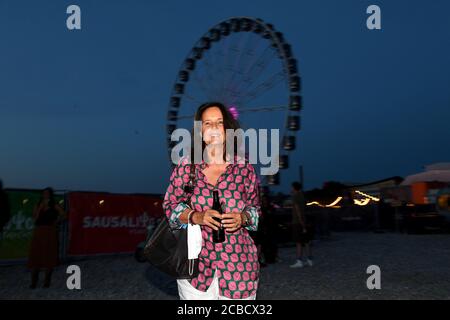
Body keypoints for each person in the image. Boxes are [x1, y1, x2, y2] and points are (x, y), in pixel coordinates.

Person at [163, 102, 262, 300]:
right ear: (200, 130)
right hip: (196, 271)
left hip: (238, 270)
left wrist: (243, 218)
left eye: (219, 122)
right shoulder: (186, 166)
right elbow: (170, 206)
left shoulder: (244, 169)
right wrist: (196, 216)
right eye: (208, 123)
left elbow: (255, 210)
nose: (215, 128)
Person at [27, 187, 66, 288]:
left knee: (49, 254)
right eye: (44, 193)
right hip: (39, 231)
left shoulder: (54, 205)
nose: (45, 195)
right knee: (36, 254)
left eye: (47, 193)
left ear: (50, 195)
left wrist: (57, 221)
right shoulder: (38, 204)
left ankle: (47, 281)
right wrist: (40, 208)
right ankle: (33, 282)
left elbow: (64, 215)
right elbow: (34, 218)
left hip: (50, 231)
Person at [290, 182, 314, 268]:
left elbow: (298, 210)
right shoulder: (303, 196)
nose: (291, 189)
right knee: (306, 241)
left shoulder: (295, 197)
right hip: (305, 221)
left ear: (294, 188)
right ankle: (309, 260)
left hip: (297, 222)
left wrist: (301, 223)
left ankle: (299, 261)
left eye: (291, 187)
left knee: (298, 242)